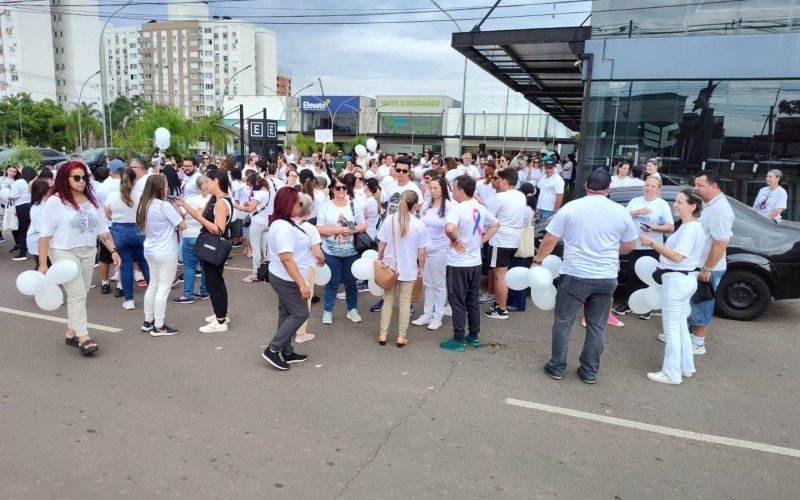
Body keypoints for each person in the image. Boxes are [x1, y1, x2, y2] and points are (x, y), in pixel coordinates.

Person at [535, 169, 638, 384]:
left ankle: (557, 367)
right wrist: (611, 253)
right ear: (608, 189)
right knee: (597, 326)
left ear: (585, 186)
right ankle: (589, 371)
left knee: (563, 322)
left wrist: (536, 262)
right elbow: (629, 245)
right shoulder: (621, 212)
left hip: (575, 274)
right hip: (606, 277)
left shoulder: (571, 208)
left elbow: (549, 240)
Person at [38, 162, 121, 356]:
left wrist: (114, 251)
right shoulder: (55, 201)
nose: (82, 181)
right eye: (76, 178)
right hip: (63, 252)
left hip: (88, 251)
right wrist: (43, 264)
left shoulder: (93, 201)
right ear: (65, 179)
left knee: (82, 292)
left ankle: (71, 332)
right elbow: (45, 235)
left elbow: (103, 231)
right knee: (77, 293)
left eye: (85, 177)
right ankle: (83, 336)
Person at [643, 189, 706, 385]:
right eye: (676, 201)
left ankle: (671, 373)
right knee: (679, 327)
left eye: (680, 202)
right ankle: (686, 367)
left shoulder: (690, 228)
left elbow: (678, 257)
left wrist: (653, 243)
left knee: (672, 329)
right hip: (684, 279)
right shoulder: (691, 226)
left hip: (678, 280)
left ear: (692, 206)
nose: (675, 205)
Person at [439, 175, 499, 352]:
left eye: (454, 188)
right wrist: (482, 240)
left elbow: (449, 229)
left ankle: (458, 339)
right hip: (475, 262)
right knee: (472, 300)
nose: (452, 191)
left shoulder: (456, 209)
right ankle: (473, 335)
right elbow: (496, 224)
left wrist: (455, 239)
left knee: (457, 301)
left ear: (461, 191)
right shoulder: (479, 207)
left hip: (458, 263)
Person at [175, 169, 234, 333]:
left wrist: (200, 217)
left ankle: (220, 320)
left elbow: (219, 229)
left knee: (214, 283)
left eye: (208, 181)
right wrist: (185, 204)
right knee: (216, 281)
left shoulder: (221, 202)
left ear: (216, 182)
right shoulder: (219, 200)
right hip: (213, 246)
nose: (205, 185)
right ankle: (221, 314)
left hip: (213, 246)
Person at [262, 188, 312, 370]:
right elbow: (286, 259)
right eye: (298, 202)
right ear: (288, 204)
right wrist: (302, 284)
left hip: (285, 276)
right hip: (287, 279)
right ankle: (273, 349)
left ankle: (286, 350)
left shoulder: (285, 223)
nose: (301, 204)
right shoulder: (283, 227)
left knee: (287, 313)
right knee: (300, 313)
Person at [614, 176, 674, 320]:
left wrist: (653, 228)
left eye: (653, 186)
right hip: (634, 245)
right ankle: (629, 303)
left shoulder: (662, 204)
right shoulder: (635, 201)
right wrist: (636, 212)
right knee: (631, 275)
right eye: (647, 185)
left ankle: (647, 307)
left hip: (652, 246)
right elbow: (623, 217)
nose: (649, 188)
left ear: (658, 190)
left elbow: (670, 226)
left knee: (649, 277)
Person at [688, 170, 734, 355]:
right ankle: (687, 336)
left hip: (708, 267)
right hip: (698, 264)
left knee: (702, 302)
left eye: (700, 185)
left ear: (713, 186)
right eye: (695, 184)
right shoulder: (708, 204)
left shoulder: (721, 210)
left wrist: (707, 268)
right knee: (691, 301)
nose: (695, 188)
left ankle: (698, 343)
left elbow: (721, 242)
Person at [376, 190, 428, 347]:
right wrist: (421, 267)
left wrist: (380, 258)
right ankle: (400, 337)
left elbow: (381, 244)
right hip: (409, 268)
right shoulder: (419, 224)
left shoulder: (389, 220)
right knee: (405, 303)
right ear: (415, 205)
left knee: (388, 301)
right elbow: (422, 252)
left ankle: (383, 334)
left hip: (390, 267)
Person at [137, 175, 186, 336]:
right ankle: (159, 325)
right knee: (163, 288)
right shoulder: (164, 206)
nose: (167, 189)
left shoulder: (144, 204)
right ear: (159, 188)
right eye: (165, 186)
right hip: (165, 251)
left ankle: (148, 321)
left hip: (150, 249)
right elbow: (182, 224)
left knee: (153, 285)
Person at [316, 175, 367, 325]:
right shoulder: (325, 207)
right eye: (338, 187)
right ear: (332, 189)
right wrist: (337, 230)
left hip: (351, 252)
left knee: (351, 283)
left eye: (344, 187)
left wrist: (350, 230)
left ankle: (352, 309)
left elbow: (363, 225)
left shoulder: (353, 205)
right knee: (332, 282)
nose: (341, 190)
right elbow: (319, 228)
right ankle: (328, 311)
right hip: (331, 252)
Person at [484, 168, 528, 320]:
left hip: (500, 240)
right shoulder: (521, 196)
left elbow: (488, 217)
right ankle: (499, 303)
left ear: (504, 181)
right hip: (513, 240)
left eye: (499, 179)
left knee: (500, 276)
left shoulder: (500, 198)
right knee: (501, 275)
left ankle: (502, 309)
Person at [105, 168, 150, 310]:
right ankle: (155, 294)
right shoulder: (142, 196)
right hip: (138, 230)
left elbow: (108, 215)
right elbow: (145, 214)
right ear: (134, 181)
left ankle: (129, 300)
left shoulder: (112, 196)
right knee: (144, 263)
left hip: (119, 230)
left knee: (125, 266)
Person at [413, 177, 453, 330]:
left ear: (443, 188)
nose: (432, 190)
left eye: (436, 187)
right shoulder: (427, 206)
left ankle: (438, 316)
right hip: (425, 249)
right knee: (427, 283)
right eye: (431, 188)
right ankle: (427, 313)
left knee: (439, 284)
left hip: (440, 249)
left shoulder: (449, 206)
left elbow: (453, 226)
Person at [171, 175, 210, 304]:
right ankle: (204, 291)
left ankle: (187, 294)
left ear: (196, 187)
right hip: (205, 235)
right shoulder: (211, 199)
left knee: (189, 266)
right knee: (205, 266)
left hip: (190, 235)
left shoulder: (190, 200)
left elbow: (179, 214)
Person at [293, 193, 325, 344]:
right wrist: (322, 261)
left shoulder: (286, 224)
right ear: (310, 209)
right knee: (305, 300)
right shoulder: (311, 229)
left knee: (289, 300)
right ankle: (300, 333)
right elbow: (317, 252)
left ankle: (289, 328)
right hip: (306, 268)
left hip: (288, 268)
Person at [240, 174, 272, 283]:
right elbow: (257, 206)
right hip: (267, 222)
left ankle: (255, 273)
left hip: (257, 222)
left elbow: (250, 209)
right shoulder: (269, 193)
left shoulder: (259, 193)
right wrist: (249, 205)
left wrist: (238, 207)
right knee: (265, 247)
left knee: (256, 248)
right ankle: (268, 271)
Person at [7, 165, 33, 260]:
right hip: (32, 206)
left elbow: (14, 196)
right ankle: (34, 250)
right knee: (32, 229)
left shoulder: (18, 182)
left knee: (22, 231)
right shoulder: (34, 181)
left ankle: (22, 253)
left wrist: (8, 195)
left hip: (21, 207)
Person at [25, 179, 51, 268]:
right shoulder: (37, 207)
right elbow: (39, 227)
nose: (51, 190)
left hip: (43, 240)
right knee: (43, 266)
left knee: (46, 266)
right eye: (49, 188)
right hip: (37, 240)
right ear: (43, 190)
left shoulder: (45, 204)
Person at [363, 178, 382, 242]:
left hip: (367, 234)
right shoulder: (373, 199)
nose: (363, 185)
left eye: (364, 184)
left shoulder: (370, 201)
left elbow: (363, 216)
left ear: (367, 187)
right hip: (371, 233)